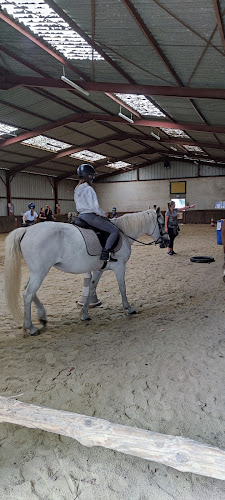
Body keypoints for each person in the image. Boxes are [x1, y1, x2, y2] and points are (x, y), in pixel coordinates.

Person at [74, 163, 120, 261]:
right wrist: (104, 214)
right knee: (114, 230)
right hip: (90, 217)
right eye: (92, 176)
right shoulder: (89, 189)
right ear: (89, 176)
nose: (93, 178)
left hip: (80, 216)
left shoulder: (77, 189)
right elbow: (94, 207)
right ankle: (105, 253)